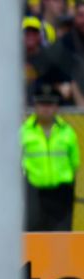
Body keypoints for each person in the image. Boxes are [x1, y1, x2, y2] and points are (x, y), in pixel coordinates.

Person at [21, 84, 80, 231]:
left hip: (62, 194)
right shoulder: (24, 132)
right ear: (35, 105)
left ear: (57, 106)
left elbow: (75, 163)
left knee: (62, 236)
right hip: (35, 193)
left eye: (50, 103)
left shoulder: (67, 132)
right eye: (42, 103)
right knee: (34, 237)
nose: (46, 108)